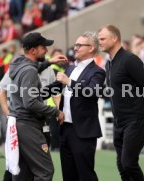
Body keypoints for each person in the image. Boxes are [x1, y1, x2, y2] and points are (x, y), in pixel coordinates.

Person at [98, 25, 144, 181]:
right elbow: (111, 91)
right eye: (99, 39)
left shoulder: (130, 60)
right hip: (119, 121)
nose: (100, 42)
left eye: (103, 39)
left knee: (129, 163)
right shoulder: (109, 63)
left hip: (137, 119)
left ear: (114, 38)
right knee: (122, 166)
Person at [8, 32, 65, 181]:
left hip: (19, 124)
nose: (46, 50)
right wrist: (55, 112)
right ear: (33, 50)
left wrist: (49, 62)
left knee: (23, 173)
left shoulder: (20, 63)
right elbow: (30, 102)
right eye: (43, 47)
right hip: (28, 125)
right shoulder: (29, 71)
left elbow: (33, 66)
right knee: (45, 171)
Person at [55, 31, 106, 181]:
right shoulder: (70, 69)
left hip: (83, 132)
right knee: (68, 175)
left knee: (85, 175)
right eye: (75, 45)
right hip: (65, 128)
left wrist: (69, 82)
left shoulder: (98, 72)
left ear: (91, 48)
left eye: (79, 45)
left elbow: (92, 92)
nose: (75, 48)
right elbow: (53, 88)